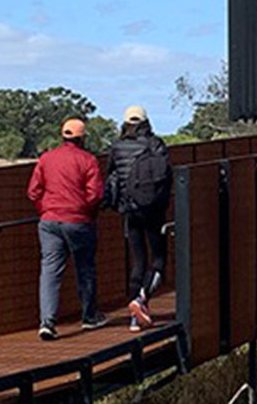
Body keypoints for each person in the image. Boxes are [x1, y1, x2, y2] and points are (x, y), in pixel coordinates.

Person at [27, 118, 107, 340]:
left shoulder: (46, 158)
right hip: (78, 221)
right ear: (82, 138)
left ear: (62, 136)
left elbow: (33, 192)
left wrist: (45, 209)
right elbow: (95, 195)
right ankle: (89, 316)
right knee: (85, 269)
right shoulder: (88, 160)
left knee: (50, 271)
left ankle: (47, 322)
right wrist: (84, 211)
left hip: (49, 222)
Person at [105, 106, 172, 332]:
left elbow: (111, 174)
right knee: (159, 260)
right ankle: (141, 299)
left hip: (129, 210)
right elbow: (166, 176)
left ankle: (135, 318)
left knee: (138, 260)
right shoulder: (155, 144)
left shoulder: (117, 146)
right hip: (153, 211)